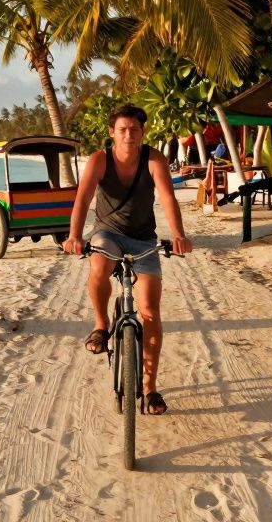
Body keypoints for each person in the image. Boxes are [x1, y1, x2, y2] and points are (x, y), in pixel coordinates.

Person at [63, 104, 193, 416]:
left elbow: (167, 196)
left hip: (144, 238)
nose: (128, 134)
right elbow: (82, 199)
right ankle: (101, 323)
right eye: (122, 129)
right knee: (100, 263)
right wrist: (74, 236)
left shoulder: (153, 158)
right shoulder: (99, 160)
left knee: (149, 312)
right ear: (112, 133)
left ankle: (149, 388)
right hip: (108, 232)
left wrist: (178, 234)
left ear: (142, 132)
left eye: (134, 129)